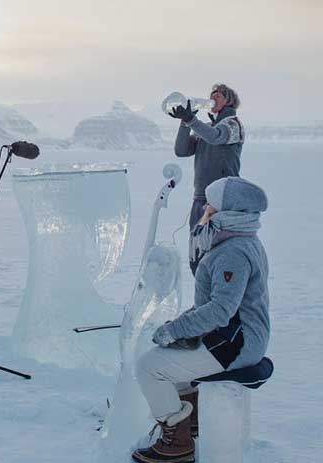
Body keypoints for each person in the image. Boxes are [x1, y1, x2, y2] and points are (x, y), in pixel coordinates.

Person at [131, 176, 270, 463]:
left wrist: (175, 329)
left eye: (212, 203)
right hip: (234, 335)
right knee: (169, 357)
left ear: (227, 211)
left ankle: (177, 441)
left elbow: (220, 310)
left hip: (236, 343)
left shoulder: (233, 251)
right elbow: (212, 307)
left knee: (148, 367)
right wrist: (180, 328)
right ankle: (192, 417)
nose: (205, 206)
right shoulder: (238, 241)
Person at [170, 83, 244, 274]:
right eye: (211, 95)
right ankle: (202, 300)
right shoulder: (206, 127)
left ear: (229, 101)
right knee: (197, 251)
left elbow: (216, 137)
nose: (212, 98)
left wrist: (192, 120)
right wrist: (184, 122)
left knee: (217, 251)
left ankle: (219, 300)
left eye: (218, 95)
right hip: (200, 198)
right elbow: (181, 150)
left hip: (222, 199)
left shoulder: (233, 124)